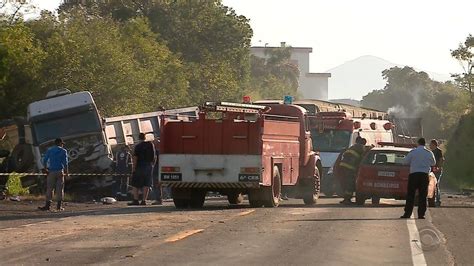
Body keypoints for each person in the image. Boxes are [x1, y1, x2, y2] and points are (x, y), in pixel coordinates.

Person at [400, 138, 436, 219]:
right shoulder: (429, 153)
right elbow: (433, 163)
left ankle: (407, 213)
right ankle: (421, 214)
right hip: (424, 175)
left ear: (418, 143)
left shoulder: (413, 152)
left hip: (414, 175)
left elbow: (405, 162)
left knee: (411, 195)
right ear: (424, 144)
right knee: (423, 195)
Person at [38, 138, 69, 211]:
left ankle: (47, 205)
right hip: (59, 172)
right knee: (59, 189)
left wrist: (45, 169)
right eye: (62, 144)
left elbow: (44, 160)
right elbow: (65, 163)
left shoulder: (50, 150)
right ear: (60, 143)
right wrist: (67, 172)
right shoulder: (63, 151)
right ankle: (59, 206)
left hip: (51, 172)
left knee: (49, 189)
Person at [128, 133, 156, 206]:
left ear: (138, 138)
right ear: (145, 137)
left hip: (139, 166)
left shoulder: (137, 146)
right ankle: (144, 200)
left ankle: (136, 200)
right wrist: (152, 165)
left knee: (135, 184)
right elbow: (154, 157)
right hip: (148, 166)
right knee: (146, 184)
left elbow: (135, 158)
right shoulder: (150, 145)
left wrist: (133, 169)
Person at [338, 136, 365, 204]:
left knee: (345, 182)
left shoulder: (353, 146)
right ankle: (347, 199)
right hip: (350, 168)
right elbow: (363, 158)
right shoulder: (361, 148)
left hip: (343, 165)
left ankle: (346, 198)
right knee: (350, 183)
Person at [429, 139, 444, 206]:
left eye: (430, 144)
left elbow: (441, 160)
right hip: (432, 170)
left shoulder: (438, 151)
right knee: (433, 185)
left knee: (436, 185)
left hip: (437, 170)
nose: (429, 145)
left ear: (434, 144)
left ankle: (438, 200)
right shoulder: (431, 151)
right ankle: (434, 199)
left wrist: (438, 167)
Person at [151, 138, 163, 205]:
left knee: (156, 185)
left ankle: (158, 199)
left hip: (156, 170)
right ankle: (159, 199)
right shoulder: (161, 151)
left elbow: (154, 161)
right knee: (158, 185)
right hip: (159, 169)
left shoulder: (156, 152)